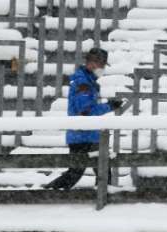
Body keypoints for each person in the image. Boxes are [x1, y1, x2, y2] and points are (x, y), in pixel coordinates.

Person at [45, 47, 123, 190]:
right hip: (82, 136)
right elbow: (86, 112)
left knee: (100, 170)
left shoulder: (88, 81)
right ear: (93, 63)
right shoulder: (84, 83)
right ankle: (47, 193)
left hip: (86, 135)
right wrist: (109, 106)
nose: (103, 68)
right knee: (78, 172)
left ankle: (103, 197)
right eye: (102, 65)